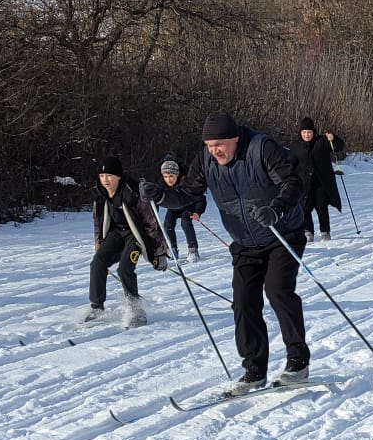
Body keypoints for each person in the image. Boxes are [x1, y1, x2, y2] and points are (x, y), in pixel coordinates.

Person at [140, 110, 310, 394]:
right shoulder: (206, 160)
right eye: (209, 145)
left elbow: (292, 182)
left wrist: (276, 209)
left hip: (282, 232)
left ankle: (297, 362)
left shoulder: (261, 148)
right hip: (244, 241)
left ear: (235, 139)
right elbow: (186, 193)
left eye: (219, 145)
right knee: (243, 301)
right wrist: (160, 195)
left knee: (278, 291)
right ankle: (254, 370)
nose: (214, 151)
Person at [87, 156, 169, 328]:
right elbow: (97, 223)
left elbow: (151, 223)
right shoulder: (99, 195)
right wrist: (99, 247)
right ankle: (96, 308)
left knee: (124, 268)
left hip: (135, 236)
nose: (105, 180)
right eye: (102, 176)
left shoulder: (132, 191)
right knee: (97, 264)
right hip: (115, 234)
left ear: (118, 176)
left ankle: (136, 311)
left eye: (109, 176)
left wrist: (159, 252)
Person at [292, 116, 345, 242]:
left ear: (313, 132)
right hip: (304, 182)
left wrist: (334, 139)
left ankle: (325, 231)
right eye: (304, 132)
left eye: (309, 132)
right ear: (300, 133)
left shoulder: (322, 141)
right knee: (304, 207)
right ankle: (308, 231)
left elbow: (338, 147)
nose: (306, 134)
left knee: (321, 206)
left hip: (321, 181)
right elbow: (291, 162)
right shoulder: (296, 145)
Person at [158, 154, 206, 262]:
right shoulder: (162, 185)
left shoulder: (186, 182)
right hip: (174, 208)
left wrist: (198, 212)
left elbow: (200, 198)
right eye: (165, 176)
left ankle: (193, 250)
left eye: (171, 176)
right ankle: (172, 249)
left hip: (188, 206)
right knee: (167, 224)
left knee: (185, 222)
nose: (168, 179)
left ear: (177, 175)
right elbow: (157, 200)